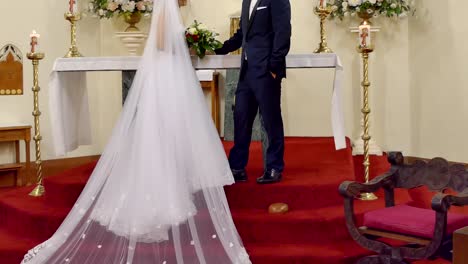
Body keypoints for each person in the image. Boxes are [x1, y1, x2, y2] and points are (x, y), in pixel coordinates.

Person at [21, 0, 250, 263]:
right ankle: (161, 194)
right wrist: (185, 43)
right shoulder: (167, 7)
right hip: (166, 72)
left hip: (166, 71)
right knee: (163, 131)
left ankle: (170, 181)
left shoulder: (170, 9)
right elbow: (163, 42)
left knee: (165, 133)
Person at [215, 0, 291, 184]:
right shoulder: (246, 1)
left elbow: (283, 31)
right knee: (241, 117)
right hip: (247, 70)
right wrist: (218, 49)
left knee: (271, 120)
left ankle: (274, 167)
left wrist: (274, 66)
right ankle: (237, 167)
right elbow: (242, 34)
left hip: (266, 70)